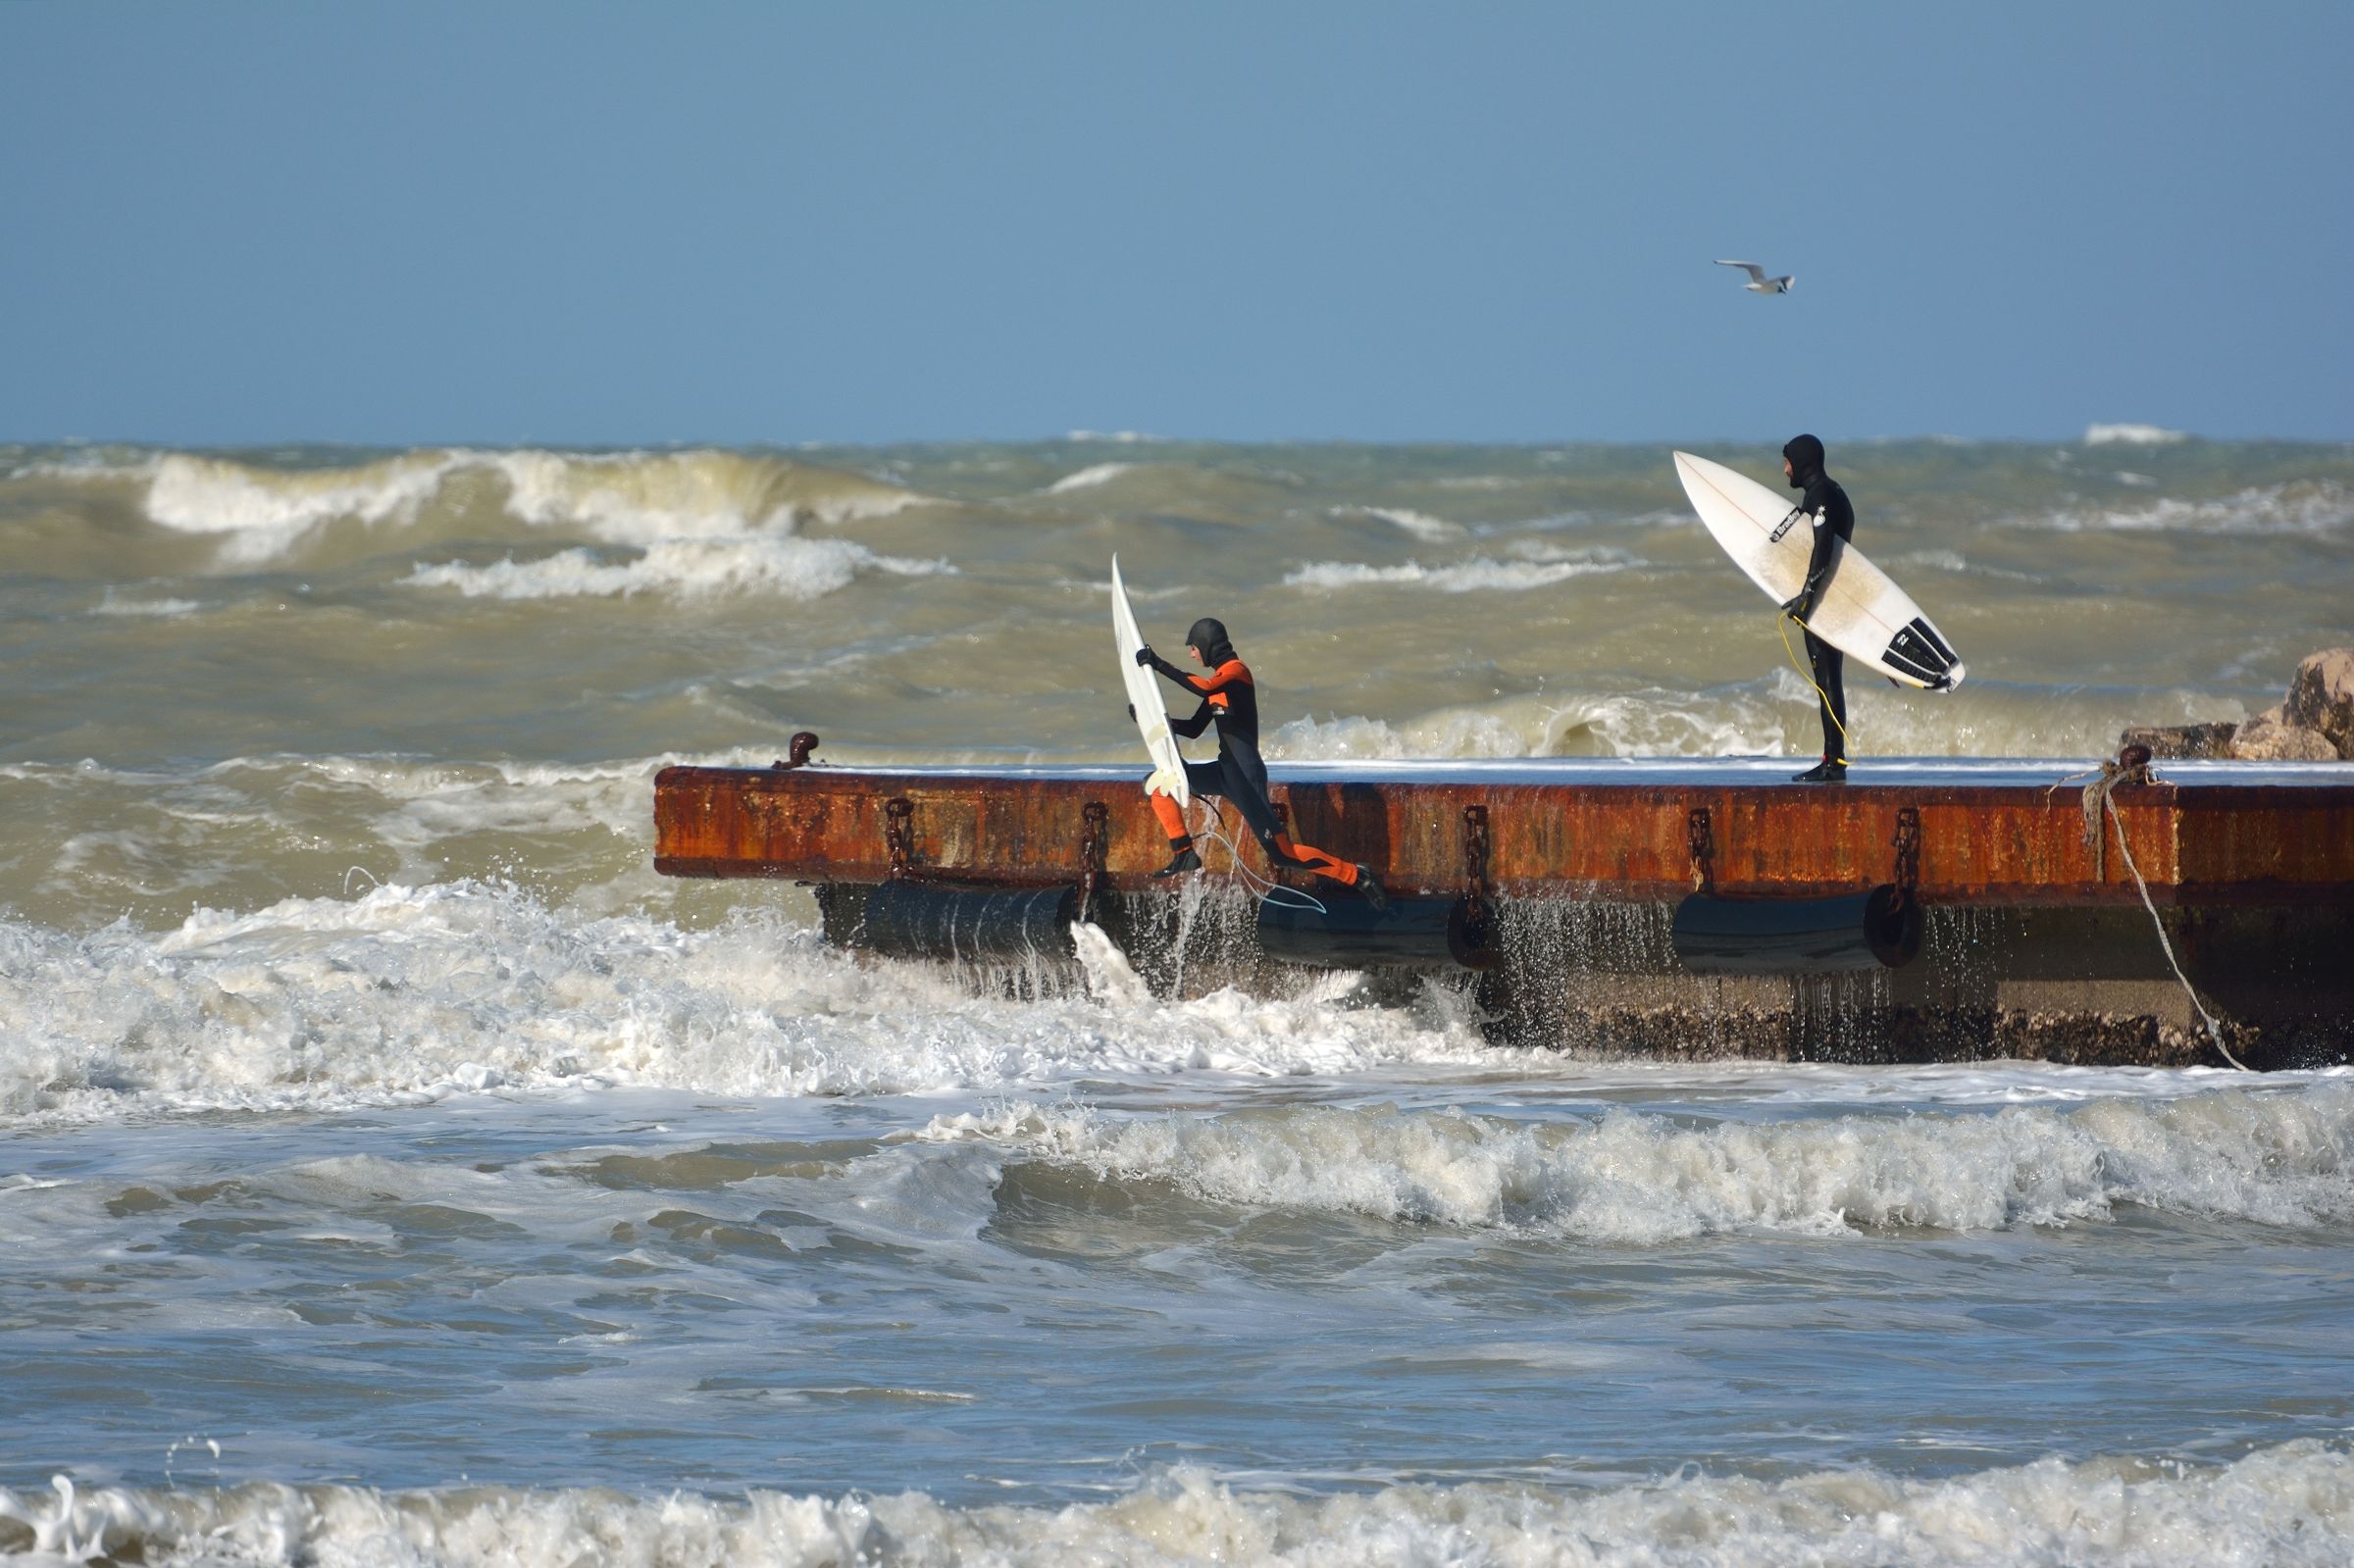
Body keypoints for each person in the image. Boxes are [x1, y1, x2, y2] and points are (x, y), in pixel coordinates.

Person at [1133, 617, 1387, 907]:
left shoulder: (1236, 672)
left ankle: (1357, 876)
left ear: (1207, 644)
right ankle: (1183, 852)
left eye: (1193, 647)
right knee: (1158, 783)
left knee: (1284, 854)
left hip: (1246, 777)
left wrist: (1159, 664)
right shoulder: (1218, 686)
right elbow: (1192, 728)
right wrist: (1147, 719)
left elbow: (1203, 686)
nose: (1192, 654)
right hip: (1224, 772)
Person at [1776, 433, 1854, 783]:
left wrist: (1807, 597)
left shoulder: (1821, 495)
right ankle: (1833, 759)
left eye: (1788, 461)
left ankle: (1833, 763)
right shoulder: (1831, 492)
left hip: (1824, 602)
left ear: (1802, 462)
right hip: (1832, 597)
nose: (1785, 469)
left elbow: (1823, 547)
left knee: (1827, 681)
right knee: (1828, 681)